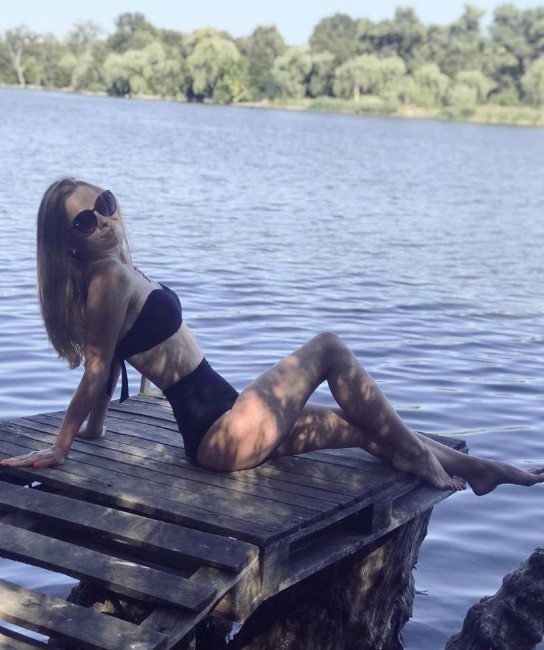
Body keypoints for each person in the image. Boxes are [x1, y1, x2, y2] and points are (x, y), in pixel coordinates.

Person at [2, 177, 544, 498]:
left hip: (228, 424)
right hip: (222, 432)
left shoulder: (117, 274)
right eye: (84, 222)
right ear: (67, 245)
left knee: (363, 428)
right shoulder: (107, 279)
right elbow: (97, 367)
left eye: (104, 204)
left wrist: (95, 432)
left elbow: (109, 365)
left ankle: (480, 470)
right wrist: (62, 447)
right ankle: (426, 460)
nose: (102, 220)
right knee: (328, 346)